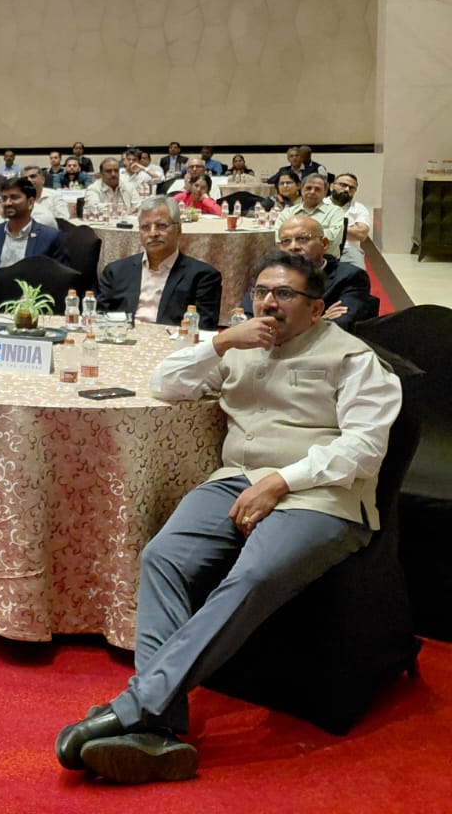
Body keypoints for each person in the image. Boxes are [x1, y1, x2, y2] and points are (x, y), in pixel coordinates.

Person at [55, 251, 400, 784]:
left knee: (253, 574)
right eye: (261, 291)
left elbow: (364, 450)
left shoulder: (354, 359)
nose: (268, 303)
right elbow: (164, 383)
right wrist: (219, 343)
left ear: (317, 308)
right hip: (237, 479)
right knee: (162, 556)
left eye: (284, 294)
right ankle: (158, 725)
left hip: (321, 495)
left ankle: (136, 705)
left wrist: (281, 482)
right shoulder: (242, 344)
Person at [95, 197, 222, 329]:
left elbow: (204, 330)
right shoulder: (116, 272)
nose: (153, 233)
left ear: (179, 230)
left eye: (161, 226)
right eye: (145, 227)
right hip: (122, 338)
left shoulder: (202, 277)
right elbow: (99, 318)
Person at [236, 215, 373, 330]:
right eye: (286, 241)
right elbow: (245, 319)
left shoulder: (349, 276)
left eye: (303, 239)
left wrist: (274, 325)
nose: (293, 247)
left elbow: (342, 324)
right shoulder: (268, 274)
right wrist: (319, 319)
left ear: (324, 244)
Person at [0, 179, 61, 312]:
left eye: (14, 197)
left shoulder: (49, 236)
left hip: (30, 299)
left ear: (30, 202)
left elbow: (60, 278)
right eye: (4, 198)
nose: (7, 203)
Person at [275, 173, 345, 258]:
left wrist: (295, 237)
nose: (312, 192)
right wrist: (311, 237)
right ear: (301, 189)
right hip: (292, 260)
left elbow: (333, 238)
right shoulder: (287, 213)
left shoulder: (335, 212)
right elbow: (278, 239)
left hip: (325, 261)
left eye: (317, 189)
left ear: (325, 192)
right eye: (308, 188)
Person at [328, 173, 372, 268]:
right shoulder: (320, 204)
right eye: (343, 185)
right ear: (331, 186)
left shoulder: (359, 208)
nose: (347, 189)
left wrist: (329, 225)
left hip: (349, 250)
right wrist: (350, 228)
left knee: (358, 273)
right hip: (323, 248)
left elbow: (361, 234)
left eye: (352, 188)